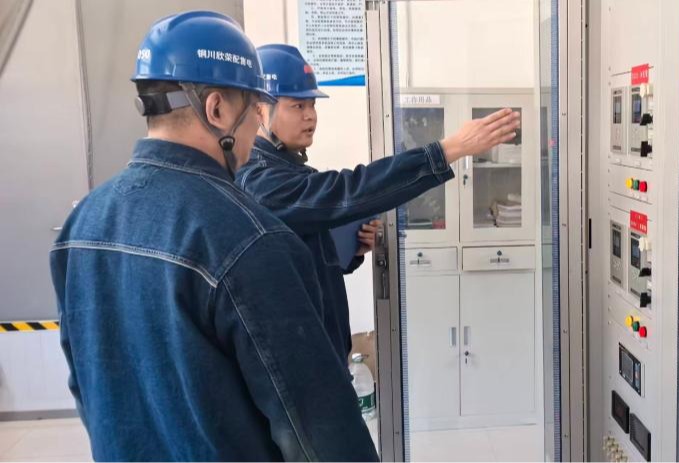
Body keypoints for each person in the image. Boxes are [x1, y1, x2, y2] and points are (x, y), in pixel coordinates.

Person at [50, 13, 378, 462]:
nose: (255, 130)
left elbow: (86, 384)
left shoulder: (81, 225)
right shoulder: (250, 238)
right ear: (217, 109)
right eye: (255, 111)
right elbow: (316, 428)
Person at [236, 44, 521, 365]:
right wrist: (448, 150)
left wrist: (351, 250)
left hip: (323, 353)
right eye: (297, 105)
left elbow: (305, 258)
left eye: (312, 104)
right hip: (301, 362)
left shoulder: (290, 172)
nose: (310, 115)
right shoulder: (260, 182)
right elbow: (351, 190)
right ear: (260, 111)